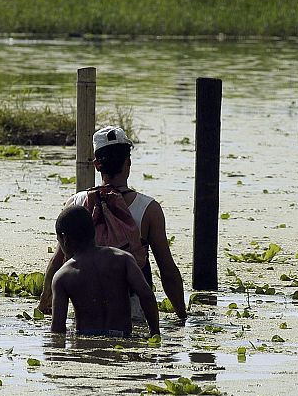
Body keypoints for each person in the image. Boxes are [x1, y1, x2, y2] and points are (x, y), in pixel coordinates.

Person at [39, 125, 188, 321]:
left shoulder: (75, 204)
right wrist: (182, 316)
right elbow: (167, 270)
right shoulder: (149, 209)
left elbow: (59, 259)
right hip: (132, 310)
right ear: (128, 162)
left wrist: (44, 300)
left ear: (96, 165)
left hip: (84, 308)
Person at [50, 205, 160, 338]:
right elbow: (146, 296)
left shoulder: (63, 275)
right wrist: (154, 332)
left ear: (65, 239)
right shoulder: (123, 259)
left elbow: (57, 330)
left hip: (85, 343)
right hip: (123, 337)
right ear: (94, 231)